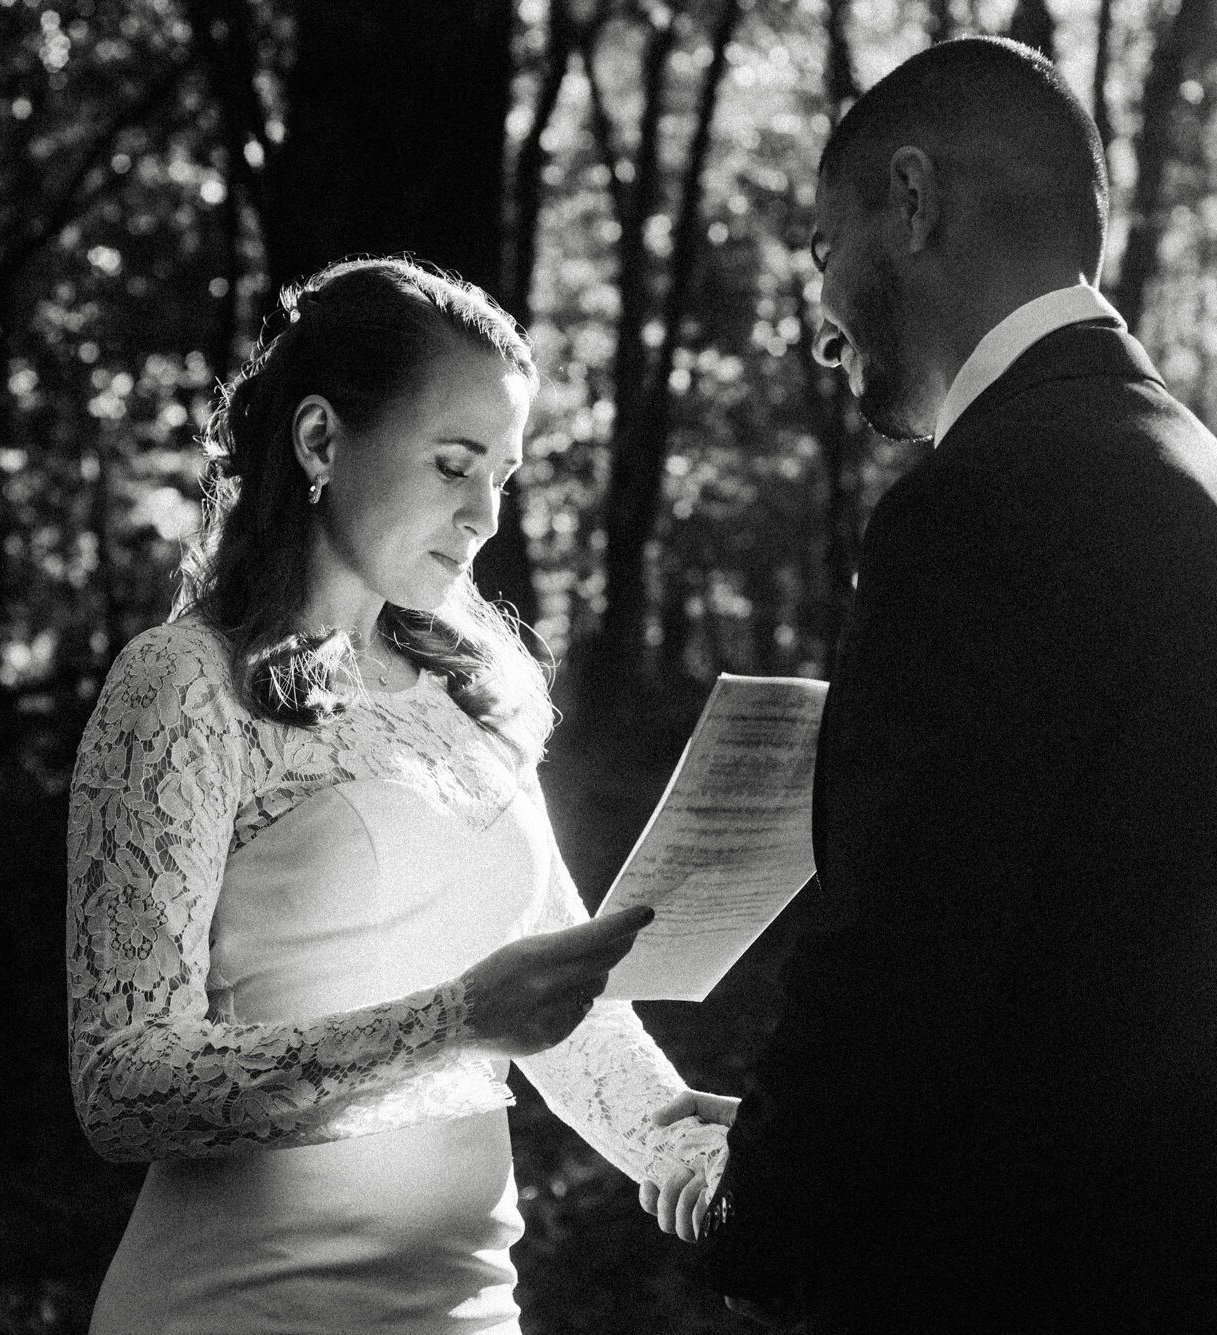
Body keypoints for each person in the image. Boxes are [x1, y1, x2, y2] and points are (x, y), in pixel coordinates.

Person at [697, 37, 1217, 1335]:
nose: (819, 315)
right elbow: (1090, 962)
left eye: (823, 249)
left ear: (915, 201)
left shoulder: (980, 511)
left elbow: (901, 970)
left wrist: (755, 1200)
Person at [65, 256, 728, 1335]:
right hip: (244, 1307)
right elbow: (122, 1082)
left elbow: (568, 1016)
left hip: (464, 1307)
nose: (484, 516)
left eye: (503, 476)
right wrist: (453, 1021)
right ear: (321, 440)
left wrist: (691, 1148)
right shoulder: (183, 685)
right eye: (453, 464)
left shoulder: (467, 705)